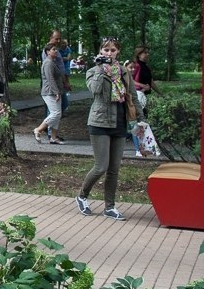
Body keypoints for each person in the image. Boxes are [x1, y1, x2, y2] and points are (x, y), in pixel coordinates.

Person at [75, 37, 143, 221]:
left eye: (113, 50)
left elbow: (132, 96)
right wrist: (100, 69)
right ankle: (82, 196)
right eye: (106, 50)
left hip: (120, 122)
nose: (109, 53)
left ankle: (109, 207)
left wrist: (141, 120)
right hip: (99, 122)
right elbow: (95, 90)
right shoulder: (92, 71)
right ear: (100, 51)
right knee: (101, 167)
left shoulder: (123, 71)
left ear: (118, 52)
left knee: (114, 169)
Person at [32, 43, 65, 145]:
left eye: (56, 49)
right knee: (56, 113)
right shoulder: (48, 63)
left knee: (57, 114)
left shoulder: (52, 62)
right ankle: (38, 129)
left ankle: (53, 138)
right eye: (53, 49)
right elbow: (50, 79)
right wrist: (56, 92)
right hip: (49, 92)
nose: (56, 51)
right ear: (48, 52)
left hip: (55, 92)